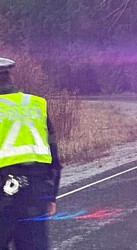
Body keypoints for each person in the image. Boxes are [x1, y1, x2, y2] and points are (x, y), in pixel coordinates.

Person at [0, 57, 62, 250]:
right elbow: (53, 156)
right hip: (36, 192)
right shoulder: (35, 104)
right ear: (10, 77)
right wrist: (51, 196)